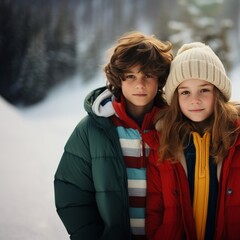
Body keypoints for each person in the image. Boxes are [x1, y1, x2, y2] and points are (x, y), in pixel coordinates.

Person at [145, 42, 240, 240]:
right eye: (185, 92)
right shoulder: (163, 148)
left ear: (218, 93)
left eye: (204, 90)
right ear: (175, 98)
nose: (194, 99)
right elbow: (154, 212)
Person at [54, 31, 173, 240]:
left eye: (148, 75)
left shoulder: (174, 128)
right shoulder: (92, 129)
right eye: (131, 76)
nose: (140, 84)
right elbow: (72, 193)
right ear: (118, 79)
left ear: (160, 79)